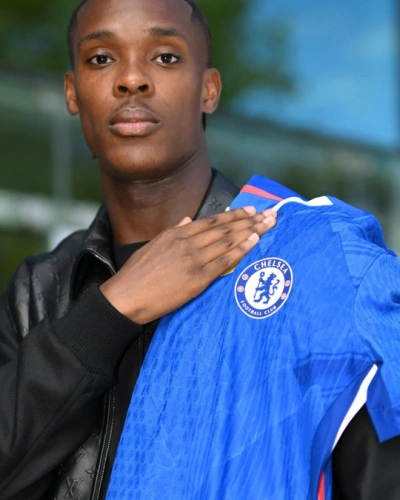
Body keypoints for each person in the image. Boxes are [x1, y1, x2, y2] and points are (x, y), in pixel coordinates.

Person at [0, 0, 399, 499]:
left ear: (209, 90)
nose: (131, 80)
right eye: (101, 59)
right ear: (72, 91)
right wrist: (111, 311)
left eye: (165, 57)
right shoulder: (37, 290)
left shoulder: (319, 260)